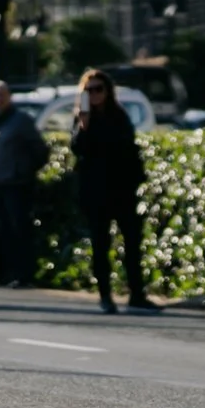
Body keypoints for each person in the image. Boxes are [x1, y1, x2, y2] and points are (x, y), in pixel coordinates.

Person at [70, 71, 153, 314]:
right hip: (95, 191)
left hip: (122, 189)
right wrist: (83, 125)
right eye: (89, 90)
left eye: (99, 89)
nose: (94, 94)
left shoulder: (119, 115)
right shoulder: (82, 119)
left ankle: (137, 294)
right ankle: (105, 295)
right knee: (100, 244)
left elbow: (129, 148)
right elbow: (77, 149)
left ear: (107, 91)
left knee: (132, 242)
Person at [0, 81, 49, 288]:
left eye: (2, 94)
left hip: (17, 184)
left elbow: (40, 150)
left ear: (9, 96)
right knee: (2, 230)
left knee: (19, 229)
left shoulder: (21, 121)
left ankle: (24, 274)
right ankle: (5, 273)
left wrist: (24, 171)